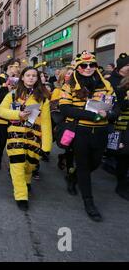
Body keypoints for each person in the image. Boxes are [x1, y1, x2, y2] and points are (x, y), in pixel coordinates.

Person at [59, 51, 118, 222]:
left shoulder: (106, 84)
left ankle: (72, 176)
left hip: (100, 132)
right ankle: (89, 202)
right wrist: (93, 116)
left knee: (96, 163)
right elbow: (65, 109)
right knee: (84, 165)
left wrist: (109, 114)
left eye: (91, 65)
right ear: (78, 67)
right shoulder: (69, 85)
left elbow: (115, 108)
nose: (88, 68)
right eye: (84, 65)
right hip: (80, 132)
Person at [0, 66, 52, 211]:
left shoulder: (43, 98)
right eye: (28, 75)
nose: (31, 78)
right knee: (17, 165)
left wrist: (46, 146)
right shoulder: (13, 95)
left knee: (31, 165)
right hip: (15, 136)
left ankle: (27, 180)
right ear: (22, 77)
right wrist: (18, 115)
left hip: (35, 137)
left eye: (34, 75)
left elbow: (46, 122)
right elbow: (1, 111)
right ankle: (21, 195)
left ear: (38, 78)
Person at [0, 58, 20, 170]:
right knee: (3, 139)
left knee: (13, 139)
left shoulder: (18, 80)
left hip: (15, 114)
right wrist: (7, 90)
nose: (17, 68)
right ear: (9, 67)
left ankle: (14, 162)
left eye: (18, 66)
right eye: (16, 66)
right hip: (1, 114)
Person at [51, 67, 77, 195]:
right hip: (66, 124)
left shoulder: (80, 88)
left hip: (79, 124)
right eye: (68, 74)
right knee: (70, 148)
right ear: (62, 76)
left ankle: (64, 158)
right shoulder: (58, 90)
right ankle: (70, 173)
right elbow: (54, 110)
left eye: (73, 74)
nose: (71, 76)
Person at [109, 53, 129, 200]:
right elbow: (116, 105)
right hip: (122, 124)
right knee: (124, 154)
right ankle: (121, 184)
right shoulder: (117, 85)